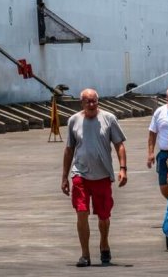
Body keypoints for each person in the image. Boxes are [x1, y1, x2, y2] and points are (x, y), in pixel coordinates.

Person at [61, 88, 128, 267]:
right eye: (87, 102)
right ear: (81, 103)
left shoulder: (109, 118)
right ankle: (85, 255)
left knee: (104, 216)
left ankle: (104, 243)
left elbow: (119, 145)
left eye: (94, 101)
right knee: (81, 212)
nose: (91, 105)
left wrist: (123, 168)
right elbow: (69, 150)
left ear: (98, 102)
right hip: (80, 174)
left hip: (103, 175)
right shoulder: (73, 120)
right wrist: (64, 177)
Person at [147, 86, 168, 199]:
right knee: (164, 186)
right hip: (164, 154)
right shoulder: (159, 112)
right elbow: (152, 133)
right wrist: (150, 153)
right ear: (167, 97)